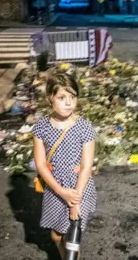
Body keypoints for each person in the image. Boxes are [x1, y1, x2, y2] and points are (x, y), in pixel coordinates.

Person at [32, 73, 97, 259]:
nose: (68, 103)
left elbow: (86, 166)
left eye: (72, 97)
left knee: (72, 239)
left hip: (79, 187)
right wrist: (61, 192)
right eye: (62, 98)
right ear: (49, 99)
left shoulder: (84, 128)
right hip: (55, 187)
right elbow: (41, 165)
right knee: (55, 235)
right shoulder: (41, 128)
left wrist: (74, 200)